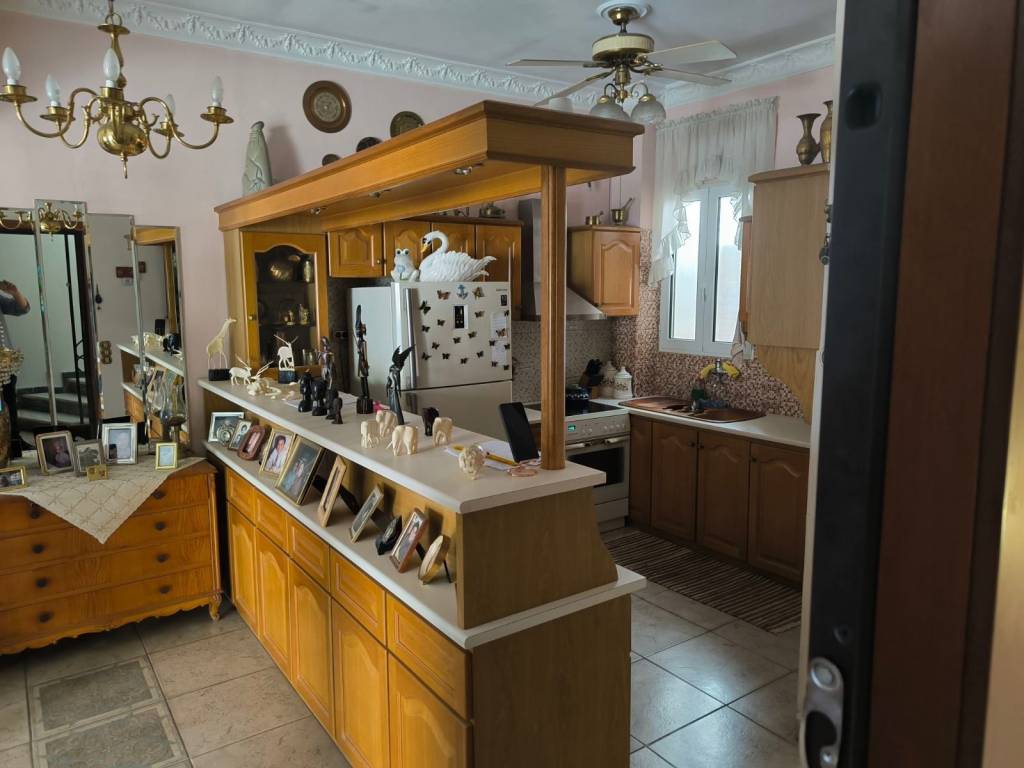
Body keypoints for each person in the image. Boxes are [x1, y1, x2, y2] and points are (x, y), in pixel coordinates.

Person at [0, 280, 30, 458]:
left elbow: (22, 308)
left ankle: (14, 442)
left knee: (9, 403)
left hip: (4, 365)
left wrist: (15, 293)